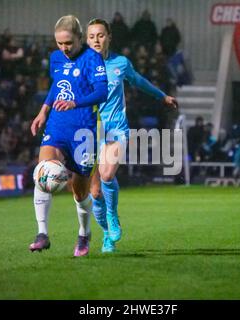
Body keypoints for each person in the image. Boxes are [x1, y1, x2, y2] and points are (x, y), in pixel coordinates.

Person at [86, 19, 178, 253]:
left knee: (107, 174)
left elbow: (139, 81)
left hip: (116, 128)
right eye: (91, 36)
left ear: (109, 37)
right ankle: (107, 235)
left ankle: (113, 214)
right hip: (88, 132)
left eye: (100, 35)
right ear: (87, 40)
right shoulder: (81, 66)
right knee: (94, 192)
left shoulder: (120, 63)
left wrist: (162, 96)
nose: (96, 40)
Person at [29, 15, 108, 257]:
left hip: (83, 131)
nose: (64, 48)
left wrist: (76, 102)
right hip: (57, 125)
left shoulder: (92, 58)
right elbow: (56, 84)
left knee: (80, 191)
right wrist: (43, 110)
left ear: (79, 39)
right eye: (59, 43)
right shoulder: (55, 58)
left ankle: (84, 234)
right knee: (43, 171)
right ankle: (42, 233)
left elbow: (102, 92)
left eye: (68, 43)